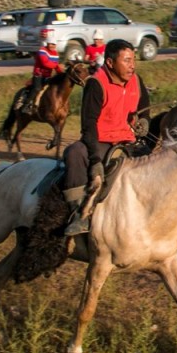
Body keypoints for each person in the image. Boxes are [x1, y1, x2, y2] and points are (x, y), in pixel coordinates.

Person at [62, 40, 141, 236]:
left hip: (127, 140)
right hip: (101, 141)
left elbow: (142, 108)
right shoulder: (96, 84)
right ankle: (79, 212)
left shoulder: (136, 80)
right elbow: (88, 125)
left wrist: (144, 122)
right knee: (74, 152)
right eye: (127, 60)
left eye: (133, 60)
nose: (132, 65)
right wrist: (95, 159)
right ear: (110, 63)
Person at [23, 37, 63, 114]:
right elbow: (45, 63)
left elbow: (56, 66)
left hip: (47, 76)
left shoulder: (56, 53)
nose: (52, 46)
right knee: (37, 89)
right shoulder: (42, 51)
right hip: (39, 74)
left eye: (54, 44)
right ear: (47, 44)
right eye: (51, 44)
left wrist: (61, 73)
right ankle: (26, 105)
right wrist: (56, 66)